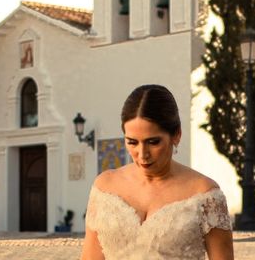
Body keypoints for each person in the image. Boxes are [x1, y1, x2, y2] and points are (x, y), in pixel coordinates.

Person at [81, 84, 234, 260]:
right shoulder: (104, 187)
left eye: (153, 142)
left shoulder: (206, 194)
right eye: (132, 142)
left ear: (176, 135)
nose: (142, 154)